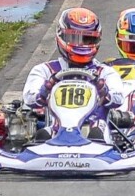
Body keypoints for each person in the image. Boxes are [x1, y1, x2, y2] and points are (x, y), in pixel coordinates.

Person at [23, 8, 126, 139]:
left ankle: (96, 145)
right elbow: (29, 99)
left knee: (97, 130)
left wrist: (103, 91)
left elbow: (118, 99)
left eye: (87, 39)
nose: (81, 44)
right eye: (74, 38)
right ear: (61, 36)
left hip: (95, 133)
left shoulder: (105, 72)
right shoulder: (44, 70)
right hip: (56, 131)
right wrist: (46, 89)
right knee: (42, 135)